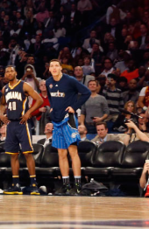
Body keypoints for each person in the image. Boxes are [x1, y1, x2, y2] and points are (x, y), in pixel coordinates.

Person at [46, 59, 90, 195]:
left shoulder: (69, 80)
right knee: (61, 153)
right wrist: (52, 108)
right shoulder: (48, 82)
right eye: (51, 66)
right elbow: (50, 97)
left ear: (61, 68)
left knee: (73, 152)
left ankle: (77, 185)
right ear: (49, 69)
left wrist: (74, 107)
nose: (54, 68)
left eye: (56, 65)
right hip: (56, 120)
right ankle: (65, 185)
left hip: (68, 119)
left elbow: (86, 92)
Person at [0, 66, 43, 195]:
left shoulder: (24, 85)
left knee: (27, 153)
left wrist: (29, 112)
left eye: (11, 71)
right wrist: (1, 114)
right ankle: (16, 184)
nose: (9, 73)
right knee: (13, 155)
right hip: (11, 125)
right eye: (7, 71)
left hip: (22, 123)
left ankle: (34, 183)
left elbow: (39, 100)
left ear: (16, 73)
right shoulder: (5, 89)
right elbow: (2, 104)